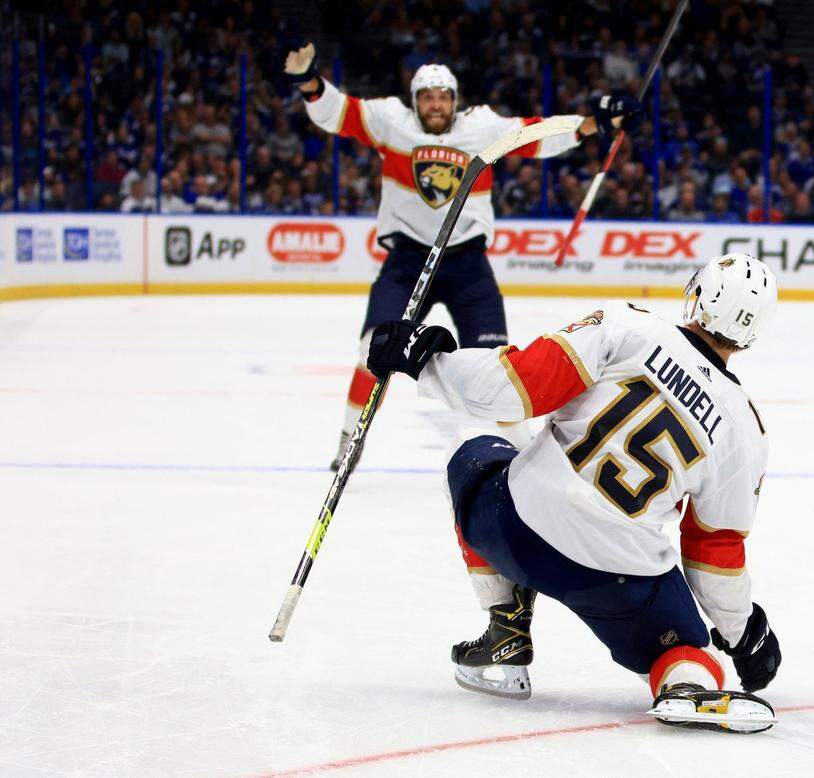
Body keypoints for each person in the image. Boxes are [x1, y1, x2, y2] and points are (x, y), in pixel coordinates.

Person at [366, 253, 782, 733]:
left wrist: (429, 361)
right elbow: (715, 548)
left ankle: (506, 625)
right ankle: (685, 686)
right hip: (617, 577)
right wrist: (743, 630)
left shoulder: (628, 326)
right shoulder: (746, 428)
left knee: (471, 453)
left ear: (698, 294)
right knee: (684, 648)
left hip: (516, 527)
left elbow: (517, 385)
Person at [283, 43, 642, 472]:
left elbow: (536, 134)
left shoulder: (482, 126)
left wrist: (595, 123)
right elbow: (336, 112)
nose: (435, 105)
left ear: (455, 101)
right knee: (372, 350)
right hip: (408, 261)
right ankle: (349, 440)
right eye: (427, 97)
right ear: (415, 101)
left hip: (467, 264)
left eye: (443, 97)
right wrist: (309, 81)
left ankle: (520, 457)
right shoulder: (391, 121)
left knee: (501, 367)